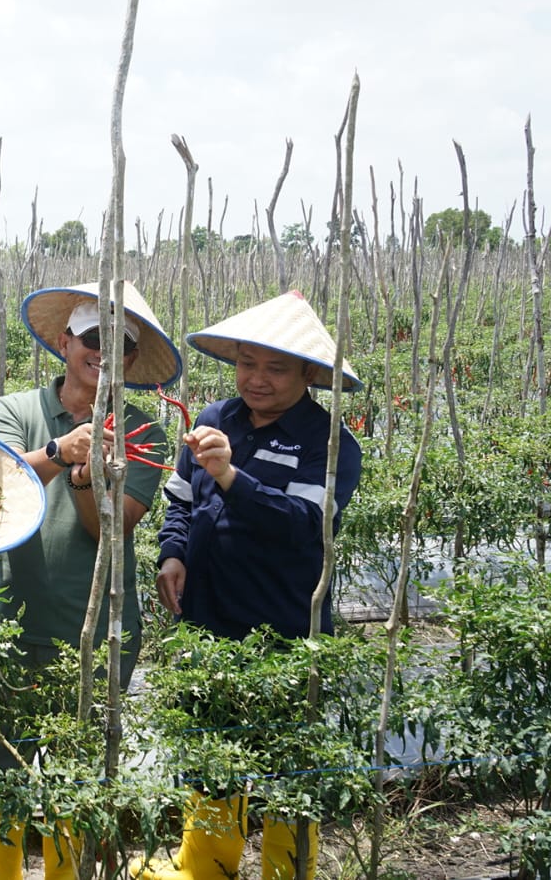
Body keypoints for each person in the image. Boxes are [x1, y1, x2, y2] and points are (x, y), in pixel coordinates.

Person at [135, 291, 363, 880]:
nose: (256, 380)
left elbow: (304, 525)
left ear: (309, 373)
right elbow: (180, 503)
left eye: (275, 367)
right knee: (210, 763)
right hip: (208, 624)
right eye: (246, 363)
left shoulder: (329, 442)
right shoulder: (213, 419)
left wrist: (231, 475)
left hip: (286, 633)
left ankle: (286, 872)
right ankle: (206, 868)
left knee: (289, 769)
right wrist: (172, 554)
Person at [0, 282, 179, 880]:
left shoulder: (142, 432)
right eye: (93, 339)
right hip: (12, 626)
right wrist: (63, 451)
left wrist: (88, 478)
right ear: (65, 342)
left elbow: (109, 531)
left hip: (103, 637)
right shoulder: (17, 411)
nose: (106, 353)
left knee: (79, 776)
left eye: (123, 345)